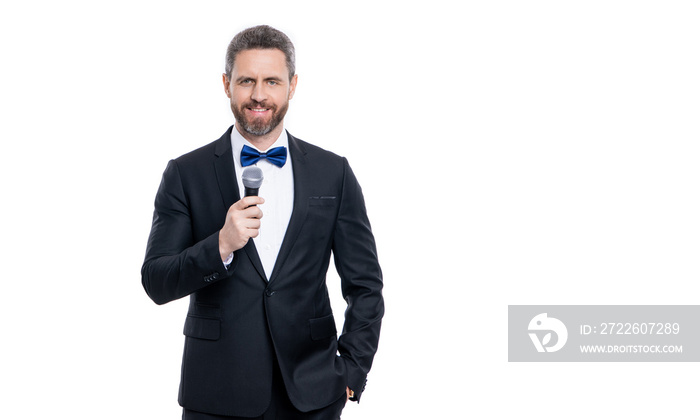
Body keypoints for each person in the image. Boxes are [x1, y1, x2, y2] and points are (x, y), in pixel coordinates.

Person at [141, 25, 384, 420]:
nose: (258, 94)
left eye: (272, 81)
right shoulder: (186, 173)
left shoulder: (332, 173)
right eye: (246, 81)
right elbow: (156, 280)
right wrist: (220, 245)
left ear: (292, 85)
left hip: (313, 395)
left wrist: (353, 369)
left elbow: (365, 284)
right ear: (226, 84)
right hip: (217, 395)